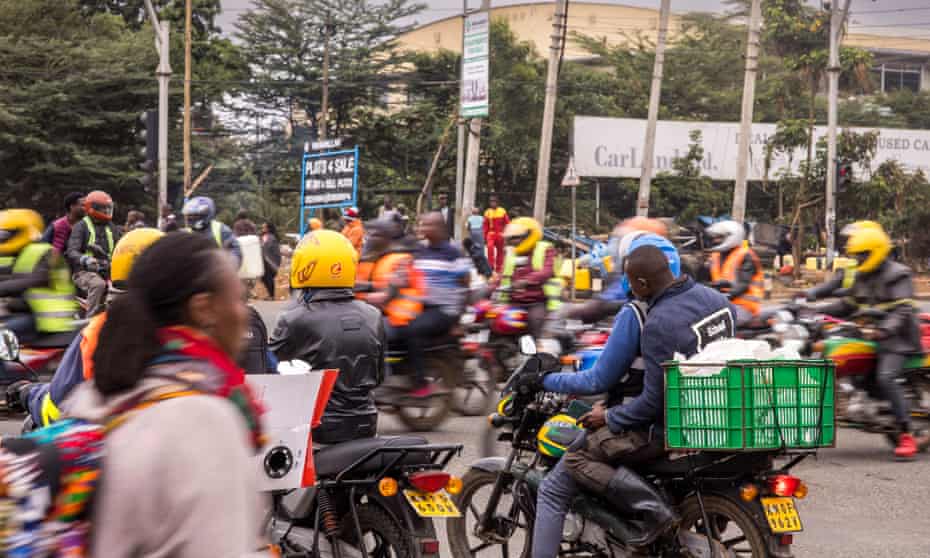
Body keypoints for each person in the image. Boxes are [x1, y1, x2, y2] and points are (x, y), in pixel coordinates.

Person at [64, 232, 265, 557]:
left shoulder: (100, 395)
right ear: (204, 308)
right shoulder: (204, 422)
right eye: (239, 298)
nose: (244, 313)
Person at [533, 245, 736, 558]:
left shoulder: (657, 322)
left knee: (568, 468)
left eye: (630, 282)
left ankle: (655, 511)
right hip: (713, 414)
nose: (631, 289)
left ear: (641, 284)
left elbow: (652, 402)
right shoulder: (718, 301)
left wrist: (610, 417)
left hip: (664, 429)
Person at [8, 228, 165, 427]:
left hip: (112, 447)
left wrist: (28, 394)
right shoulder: (196, 333)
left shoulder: (101, 332)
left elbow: (57, 411)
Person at [815, 222, 921, 459]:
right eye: (857, 255)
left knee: (886, 377)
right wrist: (816, 312)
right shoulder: (862, 275)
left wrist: (883, 330)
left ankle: (906, 435)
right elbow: (848, 304)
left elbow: (903, 311)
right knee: (842, 356)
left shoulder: (899, 274)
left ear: (876, 251)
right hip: (869, 334)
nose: (859, 259)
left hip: (898, 339)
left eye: (863, 255)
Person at [270, 229, 384, 444]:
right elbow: (379, 377)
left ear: (306, 266)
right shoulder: (374, 315)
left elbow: (269, 372)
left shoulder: (295, 318)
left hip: (318, 428)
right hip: (367, 424)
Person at [388, 212, 471, 397]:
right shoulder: (420, 251)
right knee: (393, 326)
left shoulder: (453, 253)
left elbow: (466, 286)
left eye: (427, 225)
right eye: (422, 225)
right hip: (422, 308)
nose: (423, 229)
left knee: (412, 330)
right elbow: (408, 277)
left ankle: (421, 382)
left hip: (444, 311)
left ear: (440, 228)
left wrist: (458, 319)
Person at [0, 209, 78, 342]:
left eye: (5, 235)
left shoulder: (46, 253)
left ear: (21, 232)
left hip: (48, 320)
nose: (2, 238)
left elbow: (37, 279)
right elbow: (7, 275)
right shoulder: (16, 254)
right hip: (22, 313)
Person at [495, 217, 562, 336]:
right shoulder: (511, 252)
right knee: (495, 321)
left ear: (529, 235)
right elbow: (502, 275)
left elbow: (546, 271)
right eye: (510, 238)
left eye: (515, 237)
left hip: (538, 302)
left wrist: (525, 281)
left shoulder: (545, 249)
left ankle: (539, 352)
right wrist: (486, 289)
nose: (511, 241)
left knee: (535, 324)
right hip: (514, 302)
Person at [65, 190, 120, 317]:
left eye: (108, 208)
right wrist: (85, 259)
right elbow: (71, 251)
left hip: (108, 270)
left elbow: (121, 244)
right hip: (84, 272)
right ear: (92, 208)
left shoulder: (112, 227)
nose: (106, 212)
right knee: (98, 285)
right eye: (103, 209)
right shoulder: (81, 226)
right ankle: (88, 321)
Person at [705, 220, 764, 322]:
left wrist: (726, 296)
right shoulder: (716, 256)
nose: (715, 240)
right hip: (723, 304)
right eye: (715, 238)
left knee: (721, 326)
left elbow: (743, 284)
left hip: (744, 306)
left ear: (733, 236)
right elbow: (706, 280)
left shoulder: (746, 255)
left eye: (720, 237)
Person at [182, 196, 242, 266]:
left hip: (216, 271)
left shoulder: (221, 230)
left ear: (207, 214)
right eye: (190, 216)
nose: (192, 218)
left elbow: (235, 252)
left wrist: (225, 269)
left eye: (196, 215)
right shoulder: (185, 232)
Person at [483, 195, 509, 273]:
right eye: (491, 201)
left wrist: (506, 234)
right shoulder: (487, 212)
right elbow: (485, 225)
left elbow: (507, 223)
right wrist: (484, 236)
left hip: (500, 234)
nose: (492, 203)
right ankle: (490, 266)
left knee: (500, 251)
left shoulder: (502, 211)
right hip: (491, 233)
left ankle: (498, 268)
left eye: (494, 201)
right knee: (490, 247)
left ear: (497, 202)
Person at [261, 222, 281, 300]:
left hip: (271, 260)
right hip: (267, 260)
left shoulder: (271, 237)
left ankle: (272, 296)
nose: (262, 229)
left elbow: (266, 247)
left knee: (268, 277)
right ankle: (270, 295)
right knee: (264, 278)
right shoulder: (265, 236)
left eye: (264, 227)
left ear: (268, 229)